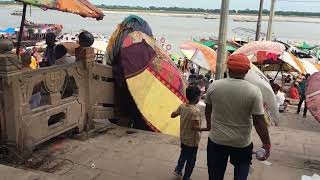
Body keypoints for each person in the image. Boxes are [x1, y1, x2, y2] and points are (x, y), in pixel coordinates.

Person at [205, 54, 271, 180]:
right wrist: (266, 144)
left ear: (228, 69)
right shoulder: (254, 91)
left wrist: (209, 124)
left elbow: (208, 109)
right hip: (241, 143)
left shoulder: (214, 86)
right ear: (247, 71)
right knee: (241, 174)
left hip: (217, 140)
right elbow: (259, 122)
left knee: (215, 175)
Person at [171, 86, 209, 180]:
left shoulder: (182, 106)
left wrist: (176, 113)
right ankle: (186, 177)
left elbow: (173, 115)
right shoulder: (195, 111)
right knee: (191, 160)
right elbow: (194, 127)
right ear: (196, 97)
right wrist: (207, 129)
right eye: (199, 96)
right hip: (192, 141)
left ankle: (178, 170)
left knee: (183, 154)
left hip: (183, 137)